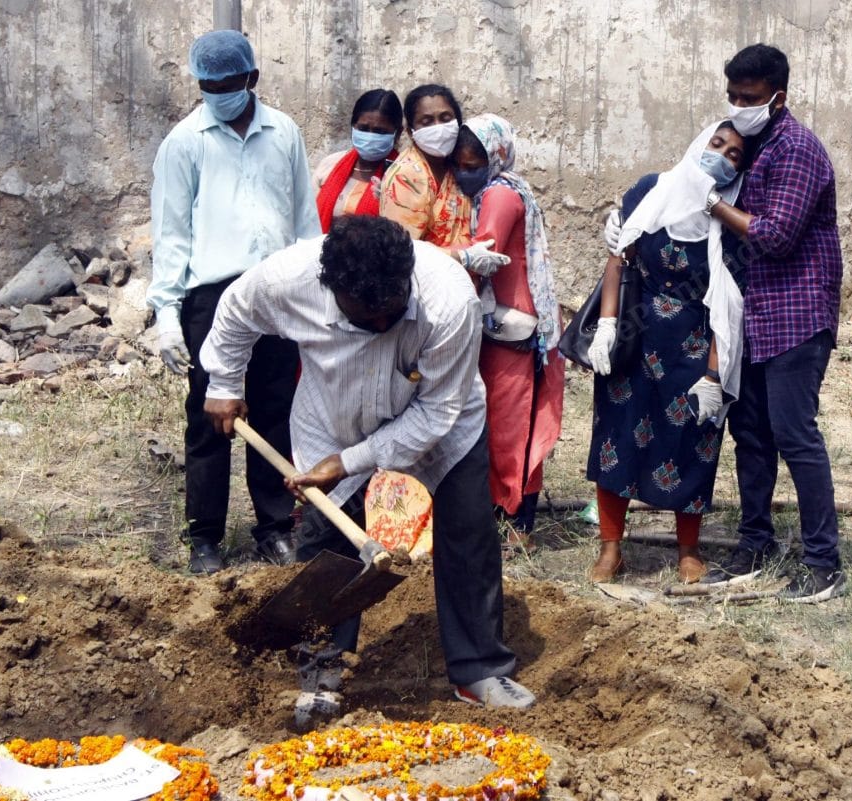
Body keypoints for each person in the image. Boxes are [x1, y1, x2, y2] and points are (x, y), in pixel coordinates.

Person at [199, 215, 536, 710]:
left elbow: (438, 411)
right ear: (329, 287)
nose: (381, 326)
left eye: (391, 314)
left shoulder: (449, 300)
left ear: (408, 281)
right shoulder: (286, 280)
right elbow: (233, 312)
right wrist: (224, 384)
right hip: (332, 419)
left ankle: (479, 671)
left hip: (440, 424)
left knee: (467, 535)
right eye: (365, 317)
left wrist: (352, 462)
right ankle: (321, 674)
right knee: (325, 550)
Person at [147, 29, 321, 575]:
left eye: (228, 83)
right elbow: (171, 232)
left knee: (275, 411)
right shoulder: (185, 142)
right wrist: (167, 314)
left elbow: (304, 220)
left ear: (252, 79)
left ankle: (273, 528)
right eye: (208, 85)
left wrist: (314, 289)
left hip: (276, 289)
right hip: (213, 297)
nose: (218, 92)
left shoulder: (283, 132)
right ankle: (205, 537)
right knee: (210, 417)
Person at [702, 43, 847, 603]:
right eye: (733, 96)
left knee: (795, 436)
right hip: (756, 316)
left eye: (750, 98)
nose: (739, 106)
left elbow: (775, 234)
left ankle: (822, 563)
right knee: (752, 437)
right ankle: (755, 544)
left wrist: (713, 204)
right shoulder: (754, 146)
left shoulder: (797, 150)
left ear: (778, 97)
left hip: (796, 313)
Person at [587, 121, 748, 584]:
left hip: (694, 342)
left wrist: (715, 374)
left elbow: (728, 303)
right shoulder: (650, 190)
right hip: (635, 337)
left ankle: (689, 551)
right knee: (617, 435)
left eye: (735, 155)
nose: (721, 156)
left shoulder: (730, 214)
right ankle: (611, 548)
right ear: (699, 142)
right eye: (717, 144)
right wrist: (607, 326)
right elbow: (619, 257)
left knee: (693, 441)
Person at [451, 114, 564, 540]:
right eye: (459, 163)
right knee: (515, 423)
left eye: (473, 162)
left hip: (508, 331)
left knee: (506, 426)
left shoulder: (497, 196)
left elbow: (485, 254)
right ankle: (515, 513)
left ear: (495, 156)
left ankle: (512, 518)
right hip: (517, 326)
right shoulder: (510, 188)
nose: (465, 171)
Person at [379, 84, 473, 249]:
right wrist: (462, 257)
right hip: (424, 273)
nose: (438, 128)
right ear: (411, 132)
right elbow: (401, 250)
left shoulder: (458, 165)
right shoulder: (406, 176)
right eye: (427, 122)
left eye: (445, 118)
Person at [314, 89, 403, 232]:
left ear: (397, 133)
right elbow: (309, 218)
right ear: (353, 126)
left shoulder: (404, 175)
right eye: (363, 128)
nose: (370, 136)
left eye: (379, 131)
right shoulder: (330, 165)